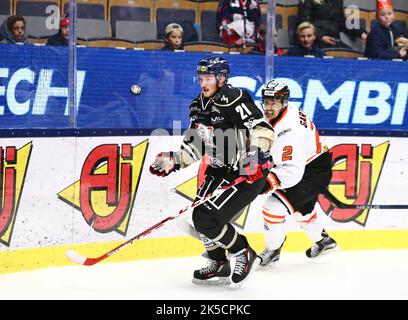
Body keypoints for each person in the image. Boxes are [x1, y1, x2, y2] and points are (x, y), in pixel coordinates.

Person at [149, 56, 275, 288]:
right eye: (200, 78)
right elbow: (197, 143)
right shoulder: (197, 106)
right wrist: (175, 160)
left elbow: (262, 128)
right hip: (218, 172)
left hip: (246, 173)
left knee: (207, 218)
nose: (203, 83)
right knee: (201, 219)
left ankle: (243, 252)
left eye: (208, 78)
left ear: (221, 78)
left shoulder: (234, 98)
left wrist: (255, 153)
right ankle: (220, 263)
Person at [256, 79, 337, 267]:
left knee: (273, 206)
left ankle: (272, 251)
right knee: (301, 209)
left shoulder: (289, 128)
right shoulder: (283, 112)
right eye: (266, 102)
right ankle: (324, 241)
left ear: (283, 101)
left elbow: (292, 172)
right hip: (314, 163)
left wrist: (266, 184)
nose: (269, 107)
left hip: (310, 170)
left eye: (274, 102)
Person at [297, 0, 367, 49]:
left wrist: (361, 33)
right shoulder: (309, 1)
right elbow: (305, 23)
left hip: (334, 40)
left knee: (349, 56)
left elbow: (342, 24)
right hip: (315, 41)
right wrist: (321, 37)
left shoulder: (337, 1)